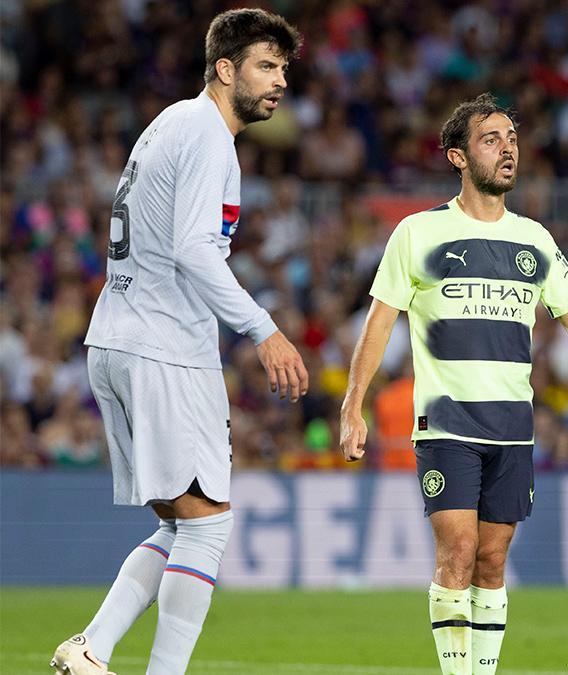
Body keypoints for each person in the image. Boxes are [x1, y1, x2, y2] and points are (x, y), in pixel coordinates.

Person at [52, 10, 306, 675]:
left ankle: (91, 647)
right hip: (163, 344)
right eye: (265, 66)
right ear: (224, 69)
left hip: (118, 335)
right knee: (208, 524)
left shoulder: (170, 122)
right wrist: (265, 328)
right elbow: (195, 248)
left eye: (284, 68)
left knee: (180, 523)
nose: (280, 81)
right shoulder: (206, 136)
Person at [339, 93, 568, 675]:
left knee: (492, 560)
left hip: (512, 426)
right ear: (458, 157)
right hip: (447, 423)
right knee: (459, 550)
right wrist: (353, 405)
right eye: (491, 139)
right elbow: (378, 324)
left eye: (512, 138)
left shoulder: (535, 239)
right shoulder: (418, 233)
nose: (508, 148)